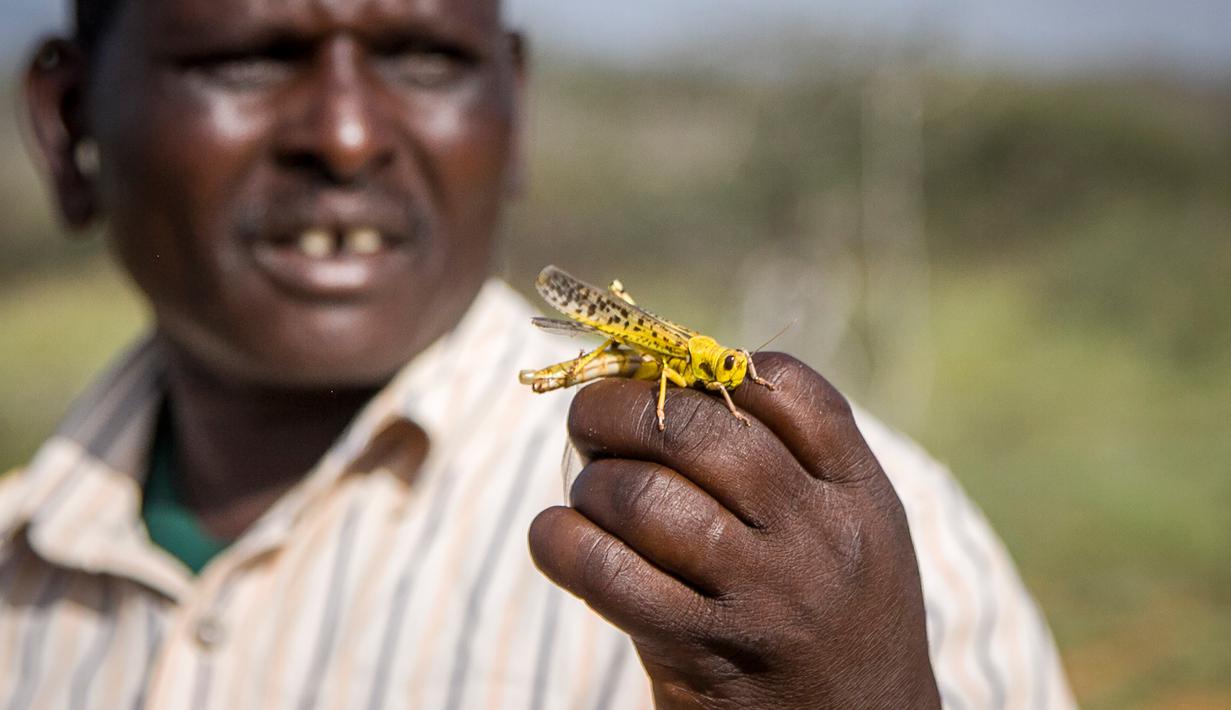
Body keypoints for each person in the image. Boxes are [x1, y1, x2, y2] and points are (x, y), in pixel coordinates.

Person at [1, 0, 1075, 707]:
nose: (345, 134)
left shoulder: (846, 546)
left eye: (424, 57)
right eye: (247, 54)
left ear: (514, 110)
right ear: (66, 123)